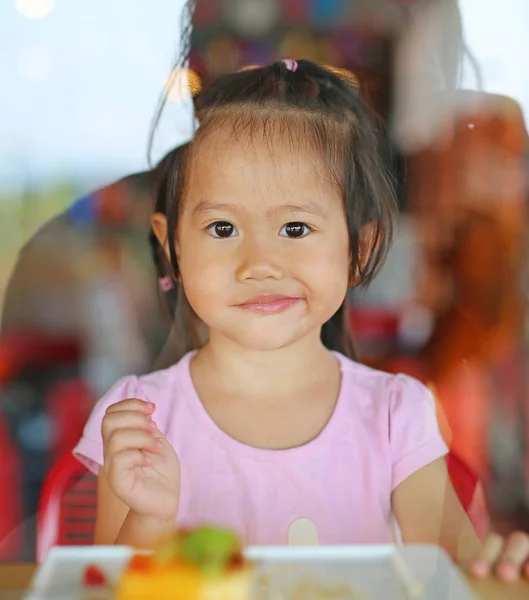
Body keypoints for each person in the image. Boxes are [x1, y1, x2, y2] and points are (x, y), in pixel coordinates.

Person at [73, 60, 529, 581]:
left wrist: (496, 577)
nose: (260, 263)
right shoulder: (140, 418)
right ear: (172, 246)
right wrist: (150, 519)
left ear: (359, 249)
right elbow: (101, 591)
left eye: (295, 227)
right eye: (222, 227)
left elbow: (454, 580)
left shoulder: (395, 416)